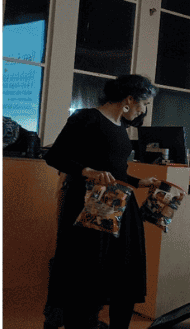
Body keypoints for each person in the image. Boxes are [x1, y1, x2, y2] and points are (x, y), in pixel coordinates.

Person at [43, 74, 159, 329]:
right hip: (89, 208)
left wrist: (140, 182)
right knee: (87, 273)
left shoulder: (121, 127)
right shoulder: (86, 118)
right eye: (144, 103)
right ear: (129, 99)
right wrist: (88, 171)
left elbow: (115, 170)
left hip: (120, 206)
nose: (144, 110)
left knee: (125, 273)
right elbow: (54, 157)